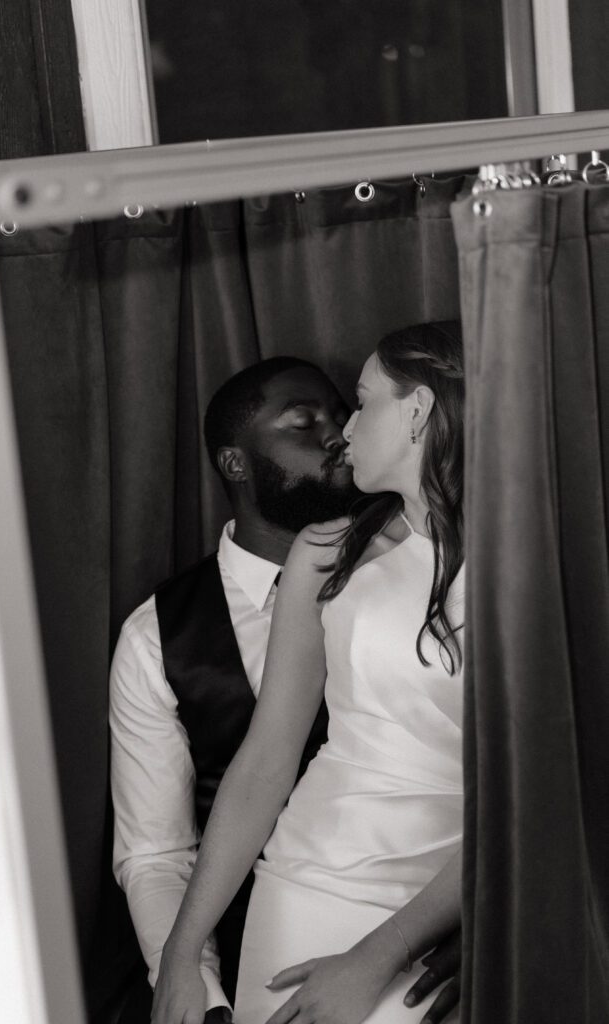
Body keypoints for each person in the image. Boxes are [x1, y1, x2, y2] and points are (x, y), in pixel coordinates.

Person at [151, 322, 466, 1024]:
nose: (344, 429)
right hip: (302, 887)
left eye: (361, 402)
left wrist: (381, 953)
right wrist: (181, 954)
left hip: (446, 910)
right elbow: (265, 760)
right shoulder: (327, 553)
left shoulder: (528, 566)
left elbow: (534, 796)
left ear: (416, 412)